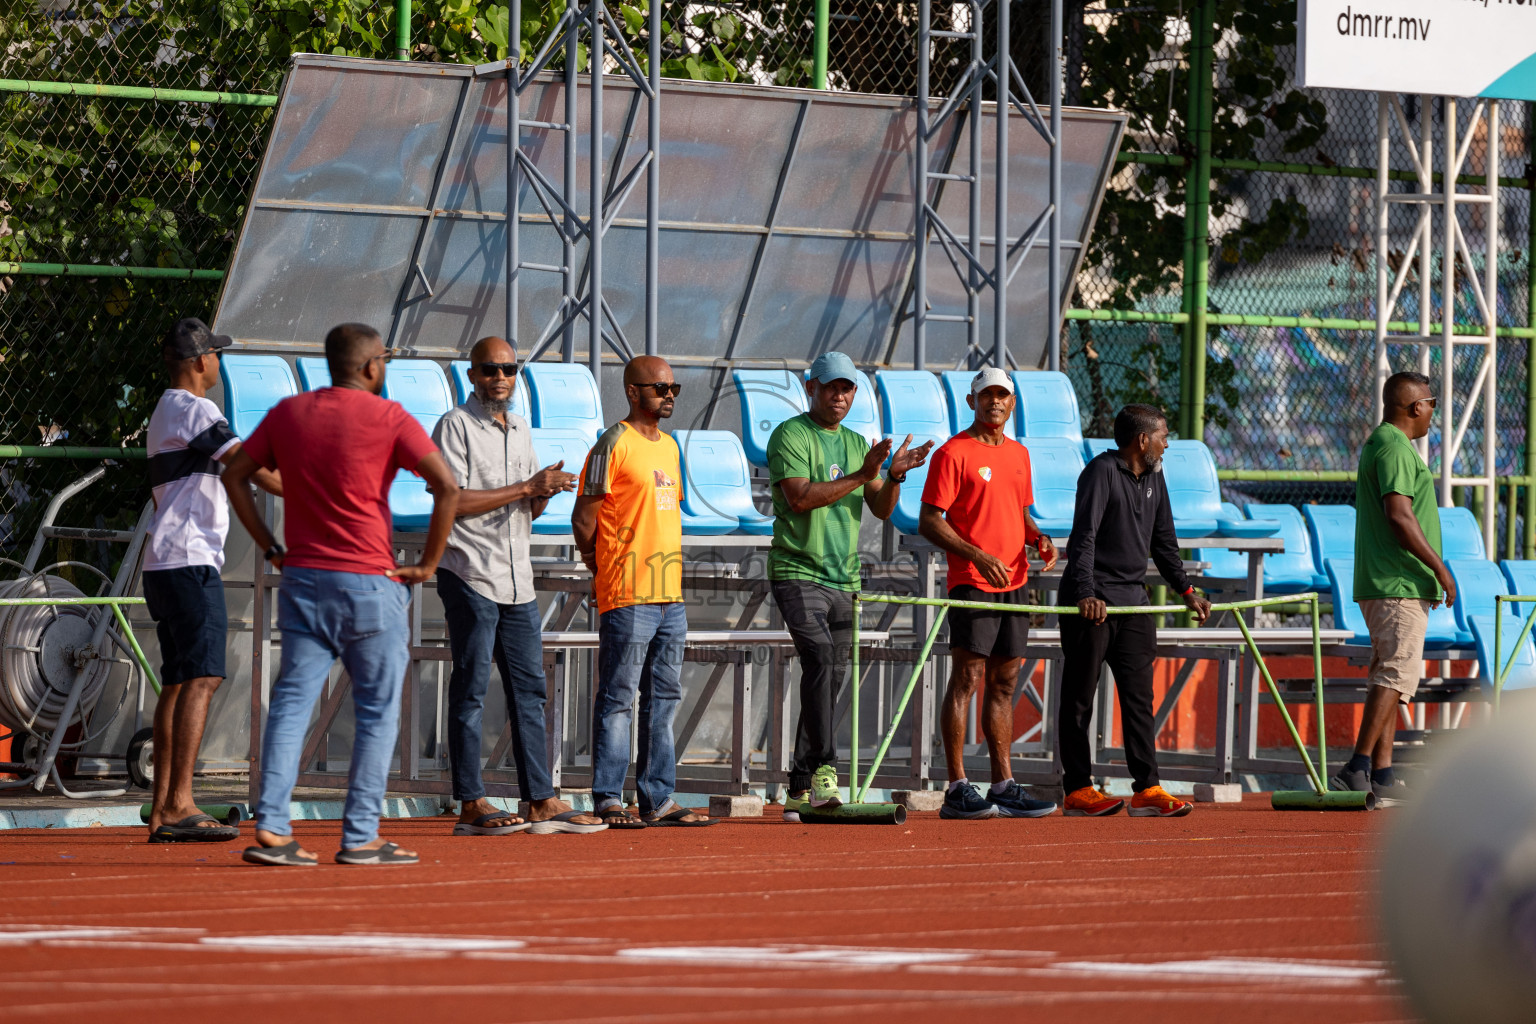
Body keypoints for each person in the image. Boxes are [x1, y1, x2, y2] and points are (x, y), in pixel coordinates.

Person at [224, 323, 461, 865]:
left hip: (304, 578)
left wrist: (269, 546)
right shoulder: (390, 417)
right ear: (373, 366)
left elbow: (237, 475)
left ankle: (274, 828)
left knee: (291, 702)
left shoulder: (289, 413)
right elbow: (446, 486)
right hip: (370, 583)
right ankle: (359, 836)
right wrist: (427, 562)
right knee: (377, 710)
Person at [433, 337, 604, 836]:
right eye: (490, 370)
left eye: (509, 369)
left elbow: (525, 511)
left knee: (530, 691)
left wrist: (543, 490)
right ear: (472, 375)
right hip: (469, 571)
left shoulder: (521, 426)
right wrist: (528, 487)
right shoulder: (455, 426)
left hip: (516, 578)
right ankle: (470, 802)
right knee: (470, 689)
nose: (501, 378)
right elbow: (454, 501)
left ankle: (540, 800)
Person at [768, 352, 932, 820]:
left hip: (844, 577)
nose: (840, 395)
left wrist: (894, 475)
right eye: (831, 387)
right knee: (819, 658)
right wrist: (863, 474)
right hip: (796, 572)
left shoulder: (860, 441)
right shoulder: (791, 434)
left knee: (829, 676)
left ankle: (799, 788)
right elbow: (799, 499)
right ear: (811, 388)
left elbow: (880, 508)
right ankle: (826, 771)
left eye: (848, 388)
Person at [142, 317, 281, 843]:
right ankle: (179, 803)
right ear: (201, 361)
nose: (219, 363)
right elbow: (251, 469)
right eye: (216, 355)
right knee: (202, 677)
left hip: (169, 562)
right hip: (188, 561)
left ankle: (162, 811)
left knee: (179, 679)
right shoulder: (195, 408)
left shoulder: (166, 409)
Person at [572, 355, 711, 828]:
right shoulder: (613, 442)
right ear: (633, 392)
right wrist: (600, 570)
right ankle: (609, 798)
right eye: (659, 388)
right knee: (618, 698)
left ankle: (657, 798)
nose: (668, 396)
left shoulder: (671, 448)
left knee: (663, 699)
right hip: (628, 594)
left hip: (670, 596)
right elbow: (584, 518)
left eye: (674, 388)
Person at [918, 368, 1059, 821]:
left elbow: (1019, 513)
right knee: (966, 679)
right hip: (972, 580)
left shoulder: (1019, 454)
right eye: (986, 395)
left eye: (1002, 395)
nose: (994, 402)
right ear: (972, 400)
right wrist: (976, 556)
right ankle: (957, 787)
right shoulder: (952, 453)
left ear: (1012, 403)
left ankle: (1003, 784)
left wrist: (1039, 538)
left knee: (1004, 683)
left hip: (1015, 582)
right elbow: (929, 521)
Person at [1057, 403, 1210, 818]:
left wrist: (1186, 589)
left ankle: (1147, 788)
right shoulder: (1101, 472)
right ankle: (1077, 789)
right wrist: (1086, 594)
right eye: (1163, 436)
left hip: (1134, 605)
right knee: (1079, 699)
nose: (1166, 443)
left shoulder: (1155, 477)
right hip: (1092, 605)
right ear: (1143, 440)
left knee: (1140, 700)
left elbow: (1164, 542)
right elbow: (1082, 538)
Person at [1332, 371, 1453, 801]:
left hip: (1391, 579)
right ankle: (1357, 765)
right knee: (1398, 673)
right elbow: (1399, 516)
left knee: (1389, 674)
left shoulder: (1385, 443)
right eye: (1432, 404)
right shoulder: (1396, 448)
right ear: (1415, 407)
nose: (1433, 413)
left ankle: (1380, 772)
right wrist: (1439, 568)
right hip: (1396, 581)